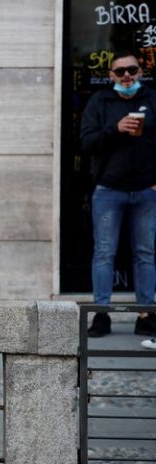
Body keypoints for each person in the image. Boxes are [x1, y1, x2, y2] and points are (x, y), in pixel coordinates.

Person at [81, 51, 156, 338]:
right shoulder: (100, 102)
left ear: (140, 72)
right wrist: (116, 129)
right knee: (104, 253)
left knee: (145, 254)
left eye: (132, 70)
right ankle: (101, 314)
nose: (126, 76)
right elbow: (87, 142)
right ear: (111, 75)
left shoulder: (152, 99)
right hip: (109, 190)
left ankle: (146, 314)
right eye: (120, 71)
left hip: (146, 191)